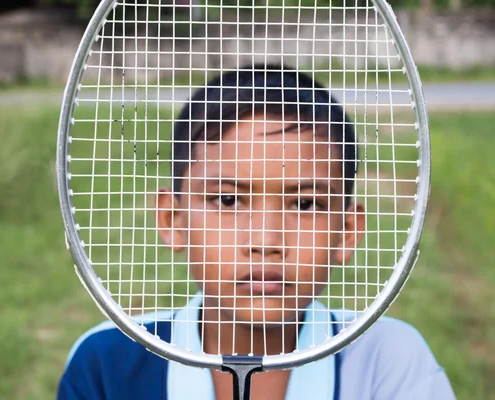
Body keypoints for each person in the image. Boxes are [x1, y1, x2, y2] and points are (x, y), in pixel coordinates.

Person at [58, 65, 456, 400]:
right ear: (172, 220)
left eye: (305, 205)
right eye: (227, 201)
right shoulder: (106, 362)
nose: (266, 242)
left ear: (347, 232)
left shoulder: (390, 361)